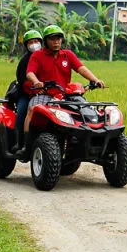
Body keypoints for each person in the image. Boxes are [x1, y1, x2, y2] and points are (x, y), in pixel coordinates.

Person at [21, 24, 105, 156]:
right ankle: (26, 144)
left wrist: (95, 79)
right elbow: (30, 73)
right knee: (32, 109)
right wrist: (37, 82)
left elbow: (81, 68)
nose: (56, 42)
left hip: (64, 96)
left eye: (59, 38)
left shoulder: (68, 55)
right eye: (53, 39)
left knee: (84, 114)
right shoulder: (37, 55)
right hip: (45, 94)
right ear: (46, 41)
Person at [13, 29, 43, 151]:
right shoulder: (24, 61)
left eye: (36, 41)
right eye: (30, 42)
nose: (34, 44)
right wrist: (34, 91)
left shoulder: (47, 57)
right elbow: (22, 80)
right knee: (22, 111)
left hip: (46, 92)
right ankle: (19, 142)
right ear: (26, 45)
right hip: (27, 94)